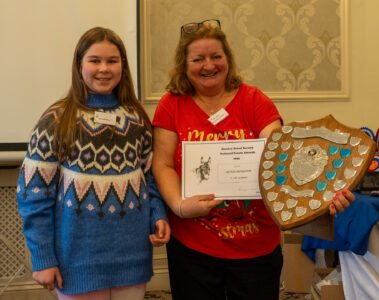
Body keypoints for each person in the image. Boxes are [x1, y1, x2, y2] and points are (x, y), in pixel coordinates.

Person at [151, 19, 355, 300]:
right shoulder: (171, 104)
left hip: (256, 245)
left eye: (216, 56)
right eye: (198, 59)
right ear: (184, 65)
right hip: (193, 246)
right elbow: (162, 165)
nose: (208, 65)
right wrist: (180, 206)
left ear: (228, 59)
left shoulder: (254, 101)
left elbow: (281, 158)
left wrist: (323, 192)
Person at [16, 27, 170, 300]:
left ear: (123, 65)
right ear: (79, 65)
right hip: (75, 262)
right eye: (94, 60)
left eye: (112, 61)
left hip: (131, 259)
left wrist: (158, 215)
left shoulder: (136, 118)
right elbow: (34, 195)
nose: (104, 69)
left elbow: (151, 178)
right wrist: (42, 258)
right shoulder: (56, 119)